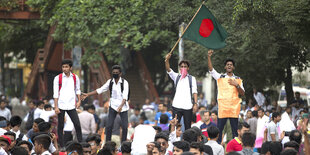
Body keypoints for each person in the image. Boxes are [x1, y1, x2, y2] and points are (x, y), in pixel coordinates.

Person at [82, 65, 129, 143]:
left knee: (124, 127)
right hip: (113, 106)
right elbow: (100, 90)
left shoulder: (124, 83)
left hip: (123, 107)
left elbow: (125, 96)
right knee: (109, 126)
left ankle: (123, 144)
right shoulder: (110, 82)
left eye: (116, 72)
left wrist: (120, 106)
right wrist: (88, 94)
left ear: (120, 74)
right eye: (113, 72)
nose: (115, 74)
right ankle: (108, 143)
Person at [207, 49, 245, 143]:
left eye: (231, 65)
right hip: (223, 109)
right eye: (227, 64)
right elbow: (211, 70)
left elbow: (243, 93)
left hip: (233, 109)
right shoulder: (220, 77)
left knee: (235, 132)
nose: (229, 66)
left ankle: (235, 150)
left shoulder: (238, 79)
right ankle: (218, 149)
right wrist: (209, 57)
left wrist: (236, 85)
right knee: (219, 130)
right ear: (225, 67)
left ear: (233, 67)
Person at [53, 59, 83, 147]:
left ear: (70, 68)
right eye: (63, 67)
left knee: (77, 124)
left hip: (71, 105)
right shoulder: (57, 78)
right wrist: (56, 107)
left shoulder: (75, 77)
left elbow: (77, 90)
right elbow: (55, 93)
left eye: (66, 67)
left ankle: (81, 143)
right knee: (60, 126)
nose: (64, 69)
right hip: (61, 104)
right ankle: (62, 146)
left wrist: (79, 101)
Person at [165, 53, 198, 130]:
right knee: (174, 125)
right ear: (179, 68)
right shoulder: (176, 76)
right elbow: (168, 69)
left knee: (188, 127)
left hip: (188, 106)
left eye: (185, 67)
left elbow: (195, 92)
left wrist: (195, 104)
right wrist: (167, 60)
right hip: (177, 106)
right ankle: (172, 141)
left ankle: (187, 142)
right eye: (182, 67)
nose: (183, 68)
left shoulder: (192, 78)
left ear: (188, 68)